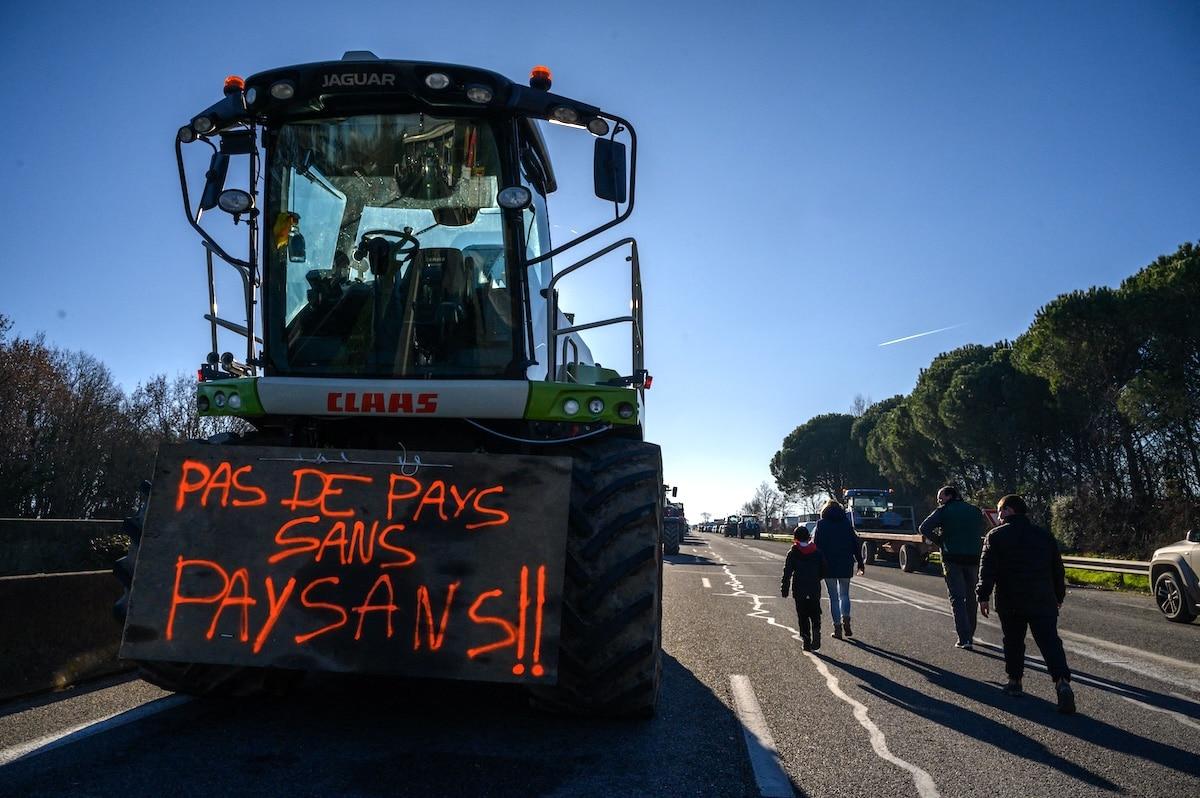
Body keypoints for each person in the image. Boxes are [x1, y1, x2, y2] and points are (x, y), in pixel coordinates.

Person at [976, 494, 1076, 714]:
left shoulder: (995, 536)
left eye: (1000, 511)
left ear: (1009, 511)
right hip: (1042, 598)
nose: (998, 515)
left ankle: (1015, 682)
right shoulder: (1043, 535)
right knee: (1050, 641)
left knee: (1013, 641)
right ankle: (1061, 682)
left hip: (1010, 599)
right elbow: (1057, 570)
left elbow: (987, 569)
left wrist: (982, 596)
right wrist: (1058, 596)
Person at [918, 485, 986, 649]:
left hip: (952, 558)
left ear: (949, 496)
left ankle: (964, 638)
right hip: (973, 558)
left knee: (957, 597)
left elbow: (924, 527)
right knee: (971, 596)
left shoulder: (944, 511)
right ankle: (971, 632)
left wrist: (940, 541)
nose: (939, 501)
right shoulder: (975, 510)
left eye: (941, 498)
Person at [812, 500, 865, 639]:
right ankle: (846, 619)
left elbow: (816, 546)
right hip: (845, 563)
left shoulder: (821, 524)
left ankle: (837, 628)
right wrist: (860, 562)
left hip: (828, 565)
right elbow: (855, 544)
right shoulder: (846, 524)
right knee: (844, 595)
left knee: (833, 598)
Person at [781, 525, 829, 651]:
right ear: (808, 537)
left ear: (795, 538)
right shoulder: (817, 552)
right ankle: (816, 630)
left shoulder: (793, 553)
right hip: (814, 587)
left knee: (802, 615)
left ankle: (806, 639)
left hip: (799, 587)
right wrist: (817, 577)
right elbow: (824, 569)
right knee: (815, 612)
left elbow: (787, 572)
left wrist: (784, 588)